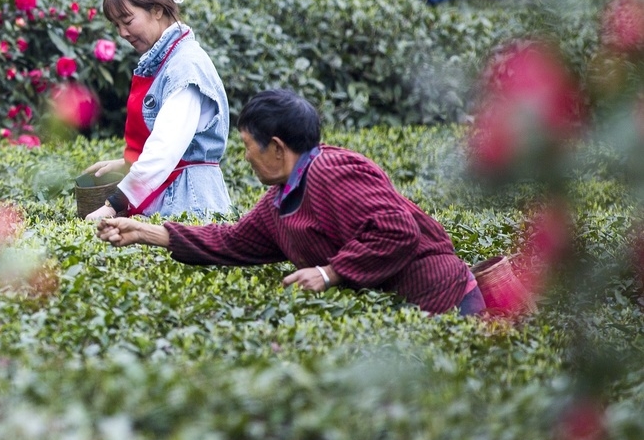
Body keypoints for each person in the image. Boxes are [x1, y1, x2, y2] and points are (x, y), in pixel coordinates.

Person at [96, 89, 484, 315]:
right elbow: (230, 242)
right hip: (406, 311)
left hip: (445, 298)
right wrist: (143, 232)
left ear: (278, 148)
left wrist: (329, 274)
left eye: (249, 146)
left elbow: (398, 231)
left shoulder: (333, 170)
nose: (246, 157)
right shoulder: (277, 202)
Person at [82, 0, 230, 222]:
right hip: (174, 195)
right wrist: (126, 164)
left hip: (189, 201)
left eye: (127, 20)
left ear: (157, 10)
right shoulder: (168, 60)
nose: (122, 33)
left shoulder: (186, 66)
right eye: (117, 25)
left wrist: (114, 204)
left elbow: (165, 149)